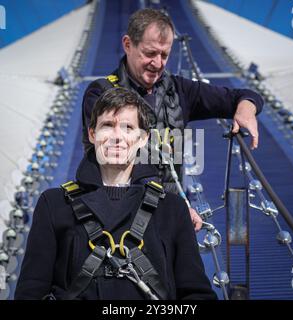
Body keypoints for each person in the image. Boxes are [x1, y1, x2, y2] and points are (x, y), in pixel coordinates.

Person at [15, 87, 217, 300]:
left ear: (142, 139)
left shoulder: (171, 209)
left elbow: (196, 293)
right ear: (92, 134)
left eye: (128, 127)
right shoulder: (54, 205)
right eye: (107, 126)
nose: (117, 137)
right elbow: (30, 291)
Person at [81, 8, 264, 232]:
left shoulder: (179, 91)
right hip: (115, 216)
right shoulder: (101, 94)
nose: (157, 63)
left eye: (164, 55)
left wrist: (245, 109)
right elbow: (114, 160)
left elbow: (243, 96)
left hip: (167, 216)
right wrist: (171, 206)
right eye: (150, 53)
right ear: (128, 44)